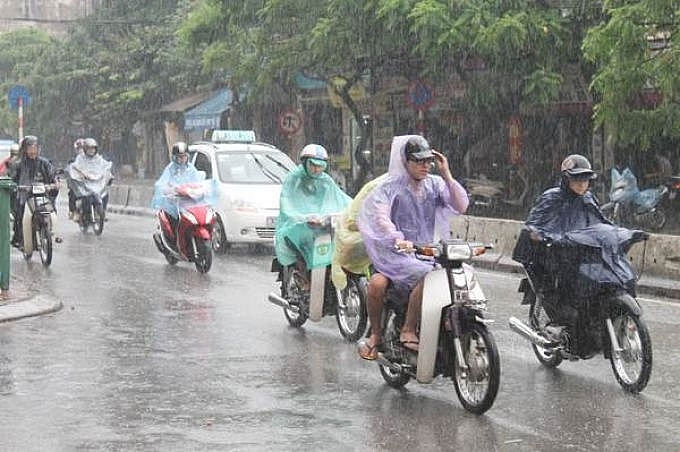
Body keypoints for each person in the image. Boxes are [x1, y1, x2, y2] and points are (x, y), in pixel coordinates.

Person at [356, 135, 469, 360]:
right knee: (378, 284)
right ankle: (387, 333)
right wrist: (397, 239)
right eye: (419, 161)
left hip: (426, 252)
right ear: (405, 162)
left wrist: (447, 174)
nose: (425, 166)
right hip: (393, 255)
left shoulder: (435, 184)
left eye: (428, 161)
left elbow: (461, 205)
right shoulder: (389, 187)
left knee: (455, 276)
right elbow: (380, 217)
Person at [512, 154, 611, 326]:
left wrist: (620, 234)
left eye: (585, 179)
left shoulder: (588, 199)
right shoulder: (551, 197)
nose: (582, 184)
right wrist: (540, 235)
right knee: (564, 303)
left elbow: (601, 221)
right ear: (566, 179)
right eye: (577, 179)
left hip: (578, 251)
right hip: (552, 254)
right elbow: (533, 223)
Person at [274, 144, 351, 283]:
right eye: (313, 165)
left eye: (321, 166)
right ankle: (304, 278)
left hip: (322, 225)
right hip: (297, 225)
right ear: (304, 162)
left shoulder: (325, 180)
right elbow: (287, 203)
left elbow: (341, 199)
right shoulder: (294, 179)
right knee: (304, 243)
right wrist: (303, 217)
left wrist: (356, 210)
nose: (317, 169)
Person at [9, 135, 59, 248]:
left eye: (35, 148)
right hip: (24, 196)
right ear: (24, 150)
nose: (33, 151)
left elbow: (53, 175)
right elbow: (12, 178)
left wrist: (55, 184)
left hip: (41, 195)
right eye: (30, 148)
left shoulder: (44, 163)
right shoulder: (18, 164)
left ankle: (52, 233)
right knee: (20, 214)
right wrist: (17, 186)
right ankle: (19, 238)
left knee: (51, 209)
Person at [151, 141, 205, 229]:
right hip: (174, 203)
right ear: (174, 158)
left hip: (189, 201)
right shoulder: (170, 169)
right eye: (179, 157)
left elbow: (198, 182)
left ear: (187, 157)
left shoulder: (191, 169)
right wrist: (170, 189)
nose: (182, 159)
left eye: (184, 156)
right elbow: (162, 184)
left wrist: (201, 189)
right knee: (174, 222)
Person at [67, 137, 113, 222]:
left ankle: (102, 211)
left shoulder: (99, 159)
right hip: (85, 182)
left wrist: (109, 176)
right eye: (89, 149)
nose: (91, 151)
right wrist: (78, 175)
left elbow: (105, 166)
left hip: (96, 182)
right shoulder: (80, 158)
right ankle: (76, 211)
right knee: (73, 192)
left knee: (105, 193)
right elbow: (74, 167)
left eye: (93, 148)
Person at [67, 138, 85, 219]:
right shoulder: (72, 160)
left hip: (90, 183)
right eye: (79, 149)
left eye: (83, 148)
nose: (81, 150)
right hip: (78, 183)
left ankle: (102, 210)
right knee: (72, 193)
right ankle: (74, 211)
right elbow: (68, 170)